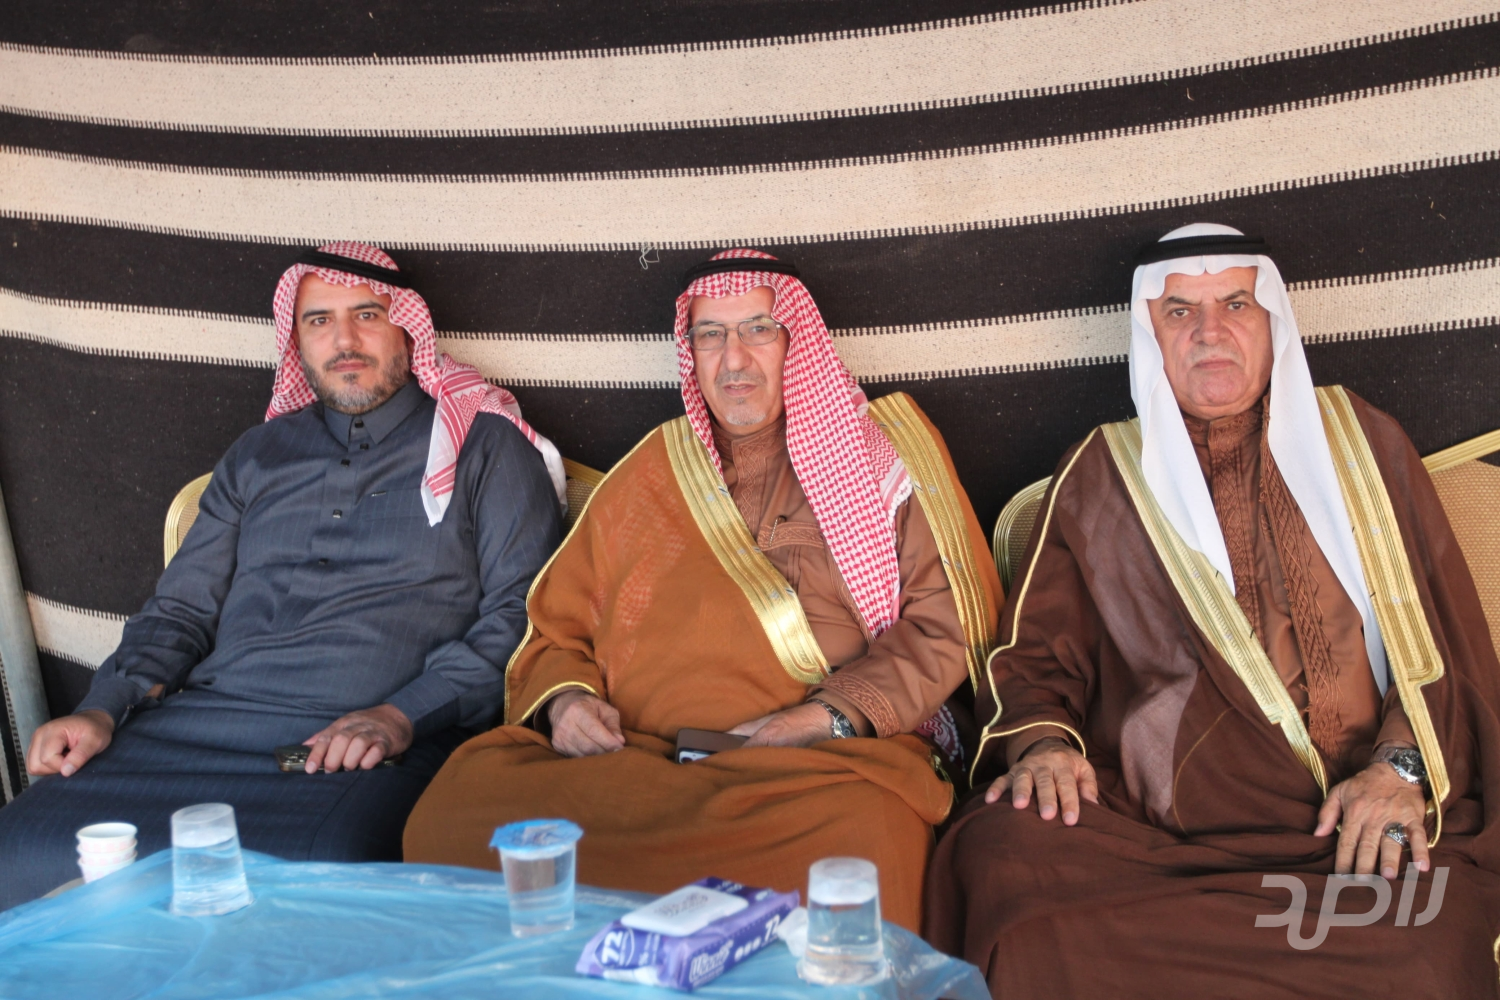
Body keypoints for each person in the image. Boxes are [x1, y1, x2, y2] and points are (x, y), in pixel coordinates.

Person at [924, 224, 1500, 996]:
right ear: (1152, 336)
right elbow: (1036, 659)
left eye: (1235, 303)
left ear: (1272, 321)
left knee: (1431, 941)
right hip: (1159, 833)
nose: (1209, 331)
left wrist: (1399, 770)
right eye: (1180, 311)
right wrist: (1045, 749)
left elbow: (1443, 642)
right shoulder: (1103, 472)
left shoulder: (1364, 444)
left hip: (1351, 816)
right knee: (998, 858)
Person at [404, 249, 1000, 930]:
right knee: (454, 813)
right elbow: (558, 627)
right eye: (711, 335)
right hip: (635, 761)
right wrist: (567, 702)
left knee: (859, 842)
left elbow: (950, 621)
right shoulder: (652, 470)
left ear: (797, 341)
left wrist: (824, 719)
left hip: (815, 764)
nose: (734, 359)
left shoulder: (884, 456)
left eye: (758, 330)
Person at [0, 242, 564, 909]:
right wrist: (101, 707)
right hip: (192, 734)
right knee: (20, 845)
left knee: (316, 876)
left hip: (358, 745)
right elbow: (180, 612)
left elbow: (522, 616)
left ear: (409, 330)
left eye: (367, 315)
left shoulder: (486, 447)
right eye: (318, 321)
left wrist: (400, 716)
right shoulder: (259, 454)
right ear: (296, 341)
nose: (344, 340)